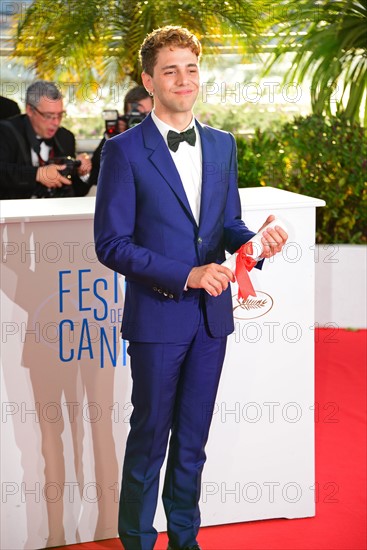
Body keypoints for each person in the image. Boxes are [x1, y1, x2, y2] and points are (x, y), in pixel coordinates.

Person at [94, 26, 288, 550]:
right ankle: (137, 542)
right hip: (158, 319)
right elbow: (111, 244)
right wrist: (187, 274)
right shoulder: (125, 151)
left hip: (211, 321)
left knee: (193, 446)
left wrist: (257, 242)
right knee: (149, 441)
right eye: (170, 70)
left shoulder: (223, 145)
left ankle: (186, 541)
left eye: (191, 68)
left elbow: (227, 226)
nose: (183, 79)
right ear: (149, 81)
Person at [0, 80, 92, 199]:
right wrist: (37, 174)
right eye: (48, 116)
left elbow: (77, 192)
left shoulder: (66, 137)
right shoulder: (6, 132)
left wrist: (81, 172)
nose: (56, 123)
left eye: (60, 115)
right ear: (30, 110)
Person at [88, 85, 153, 188]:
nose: (139, 121)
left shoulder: (163, 139)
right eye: (133, 115)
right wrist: (113, 136)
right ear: (125, 116)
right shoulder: (117, 139)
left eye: (146, 114)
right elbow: (95, 176)